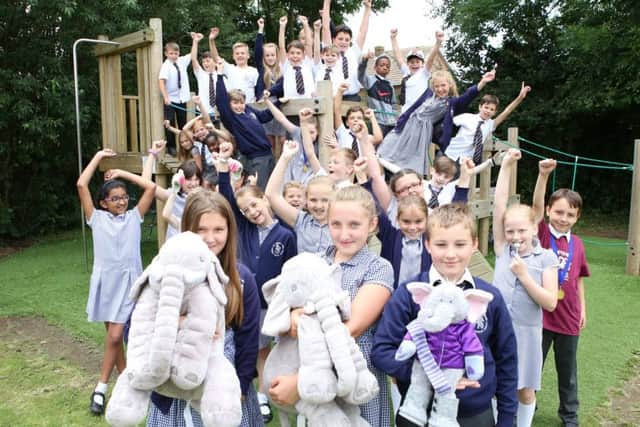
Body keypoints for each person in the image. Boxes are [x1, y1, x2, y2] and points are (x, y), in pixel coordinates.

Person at [371, 203, 518, 427]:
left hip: (475, 414)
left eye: (460, 244)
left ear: (474, 245)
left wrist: (507, 418)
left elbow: (507, 359)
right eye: (441, 244)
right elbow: (382, 351)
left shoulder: (489, 297)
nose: (450, 254)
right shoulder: (409, 293)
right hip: (418, 413)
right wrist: (431, 374)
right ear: (428, 244)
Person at [269, 186, 394, 427]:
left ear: (372, 224)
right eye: (336, 224)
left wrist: (301, 381)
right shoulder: (315, 264)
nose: (344, 233)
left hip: (354, 369)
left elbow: (352, 328)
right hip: (311, 362)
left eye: (354, 225)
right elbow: (286, 309)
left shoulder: (378, 268)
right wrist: (291, 317)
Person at [146, 189, 263, 427]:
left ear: (229, 231)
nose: (210, 238)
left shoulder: (242, 280)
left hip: (223, 389)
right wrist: (178, 323)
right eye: (201, 230)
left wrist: (239, 390)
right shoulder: (165, 273)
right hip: (176, 387)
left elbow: (248, 342)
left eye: (218, 230)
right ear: (187, 229)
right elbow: (136, 325)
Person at [216, 141, 297, 423]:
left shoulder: (286, 234)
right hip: (253, 305)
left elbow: (290, 270)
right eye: (246, 210)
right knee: (259, 350)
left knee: (282, 351)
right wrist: (223, 169)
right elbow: (225, 199)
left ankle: (283, 393)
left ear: (264, 198)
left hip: (276, 305)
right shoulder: (246, 230)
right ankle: (262, 397)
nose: (252, 212)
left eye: (254, 204)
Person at [76, 148, 156, 415]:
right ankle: (127, 384)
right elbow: (81, 184)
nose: (122, 202)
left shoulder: (134, 217)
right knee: (114, 340)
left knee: (115, 335)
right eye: (115, 198)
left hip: (129, 285)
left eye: (124, 197)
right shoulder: (95, 219)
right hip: (105, 284)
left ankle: (100, 388)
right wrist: (97, 157)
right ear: (103, 203)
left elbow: (151, 188)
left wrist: (122, 173)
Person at [492, 149, 559, 427]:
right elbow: (499, 207)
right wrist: (506, 166)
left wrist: (524, 276)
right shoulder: (502, 249)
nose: (516, 236)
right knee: (494, 384)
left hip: (527, 333)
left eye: (521, 230)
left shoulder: (546, 258)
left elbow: (550, 302)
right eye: (510, 231)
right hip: (498, 329)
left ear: (535, 227)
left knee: (524, 389)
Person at [532, 159, 590, 427]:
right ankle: (526, 410)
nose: (563, 218)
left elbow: (578, 279)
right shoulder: (542, 234)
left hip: (568, 319)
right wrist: (543, 176)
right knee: (533, 369)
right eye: (559, 212)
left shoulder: (578, 244)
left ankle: (569, 416)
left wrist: (583, 311)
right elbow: (534, 208)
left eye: (570, 214)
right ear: (548, 210)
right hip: (541, 317)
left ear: (577, 217)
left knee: (568, 373)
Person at [377, 69, 496, 176]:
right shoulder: (429, 94)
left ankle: (406, 181)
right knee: (386, 150)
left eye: (443, 85)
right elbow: (414, 107)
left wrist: (483, 82)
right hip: (407, 126)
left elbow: (467, 96)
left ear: (449, 85)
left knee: (408, 161)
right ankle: (384, 177)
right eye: (436, 86)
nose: (440, 89)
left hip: (421, 132)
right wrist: (401, 121)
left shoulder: (451, 102)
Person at [265, 139, 334, 255]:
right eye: (313, 200)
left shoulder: (341, 223)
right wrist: (285, 158)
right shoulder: (302, 221)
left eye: (325, 200)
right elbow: (272, 195)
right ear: (306, 201)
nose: (319, 205)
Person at [215, 61, 275, 190]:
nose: (239, 106)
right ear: (229, 105)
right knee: (259, 189)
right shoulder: (231, 118)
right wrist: (219, 75)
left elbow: (264, 116)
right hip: (256, 158)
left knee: (272, 188)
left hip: (268, 154)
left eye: (241, 102)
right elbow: (221, 100)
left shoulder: (248, 110)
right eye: (235, 103)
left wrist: (278, 104)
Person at [445, 82, 532, 164]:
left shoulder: (491, 125)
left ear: (495, 112)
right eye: (486, 107)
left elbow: (507, 111)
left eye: (492, 109)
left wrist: (520, 98)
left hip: (464, 161)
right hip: (449, 155)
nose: (488, 111)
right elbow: (446, 122)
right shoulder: (467, 117)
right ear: (480, 107)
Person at [321, 0, 372, 101]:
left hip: (352, 98)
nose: (343, 42)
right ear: (333, 39)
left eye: (347, 40)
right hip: (332, 98)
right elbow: (326, 28)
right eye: (340, 39)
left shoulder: (354, 52)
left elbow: (362, 32)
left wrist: (367, 8)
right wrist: (327, 3)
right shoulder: (330, 51)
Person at [255, 17, 287, 159]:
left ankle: (282, 164)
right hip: (265, 105)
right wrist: (260, 30)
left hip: (280, 105)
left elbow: (281, 86)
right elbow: (257, 52)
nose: (270, 57)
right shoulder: (262, 69)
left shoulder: (282, 69)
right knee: (269, 140)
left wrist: (271, 91)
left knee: (282, 139)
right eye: (267, 55)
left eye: (272, 55)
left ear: (277, 55)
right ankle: (271, 166)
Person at [391, 30, 443, 113]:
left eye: (417, 62)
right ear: (407, 63)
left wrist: (438, 42)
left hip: (421, 112)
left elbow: (431, 58)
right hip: (406, 113)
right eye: (412, 62)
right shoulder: (406, 72)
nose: (414, 64)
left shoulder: (424, 73)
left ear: (422, 64)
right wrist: (393, 38)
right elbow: (398, 57)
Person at [209, 28, 259, 104]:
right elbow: (216, 58)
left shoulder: (254, 71)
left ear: (248, 55)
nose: (240, 55)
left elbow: (258, 90)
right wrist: (211, 40)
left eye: (242, 53)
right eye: (237, 53)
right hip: (232, 107)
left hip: (249, 107)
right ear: (233, 56)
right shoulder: (230, 68)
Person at [159, 42, 191, 156]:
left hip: (182, 99)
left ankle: (185, 147)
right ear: (166, 54)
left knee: (183, 124)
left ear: (179, 53)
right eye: (171, 53)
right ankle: (171, 147)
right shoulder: (166, 65)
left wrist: (195, 42)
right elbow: (161, 81)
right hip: (171, 99)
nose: (174, 55)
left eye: (176, 53)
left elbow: (192, 54)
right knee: (170, 123)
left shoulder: (181, 61)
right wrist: (165, 97)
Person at [334, 83, 383, 152]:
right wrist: (340, 91)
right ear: (347, 122)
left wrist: (372, 117)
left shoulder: (365, 137)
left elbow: (378, 138)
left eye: (359, 118)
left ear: (363, 121)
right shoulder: (342, 132)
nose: (356, 120)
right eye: (352, 118)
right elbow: (337, 111)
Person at [358, 52, 397, 136]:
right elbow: (360, 74)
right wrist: (365, 60)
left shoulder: (390, 85)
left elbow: (393, 104)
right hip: (377, 122)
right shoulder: (370, 81)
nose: (385, 67)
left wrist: (394, 119)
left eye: (387, 66)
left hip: (391, 123)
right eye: (382, 65)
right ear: (375, 67)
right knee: (378, 146)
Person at [190, 32, 220, 119]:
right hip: (202, 112)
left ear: (214, 61)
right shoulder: (200, 74)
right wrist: (195, 42)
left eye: (208, 60)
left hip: (217, 113)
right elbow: (193, 59)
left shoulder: (221, 75)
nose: (205, 63)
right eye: (203, 62)